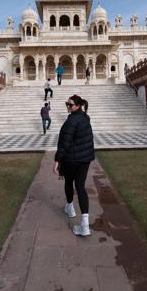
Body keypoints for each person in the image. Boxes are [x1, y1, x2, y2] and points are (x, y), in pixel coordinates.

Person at [53, 94, 95, 237]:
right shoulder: (84, 118)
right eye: (67, 104)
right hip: (85, 159)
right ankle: (85, 225)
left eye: (70, 105)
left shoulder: (71, 121)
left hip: (72, 159)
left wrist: (57, 160)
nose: (68, 107)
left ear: (77, 106)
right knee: (81, 187)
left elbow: (64, 142)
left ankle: (70, 207)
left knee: (69, 182)